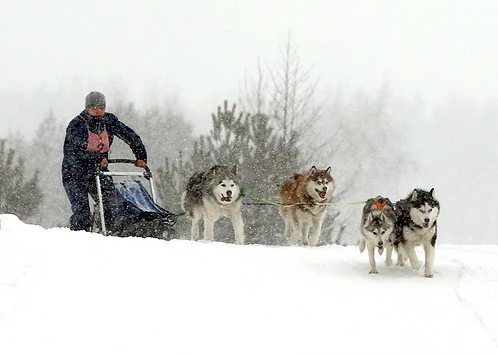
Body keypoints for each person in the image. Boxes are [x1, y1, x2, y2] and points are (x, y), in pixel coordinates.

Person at [62, 91, 148, 232]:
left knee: (113, 204)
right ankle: (79, 238)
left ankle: (112, 233)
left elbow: (129, 135)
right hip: (74, 174)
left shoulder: (109, 121)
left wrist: (141, 155)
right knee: (82, 212)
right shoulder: (76, 125)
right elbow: (73, 153)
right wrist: (96, 159)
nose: (98, 111)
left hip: (98, 171)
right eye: (94, 108)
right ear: (87, 108)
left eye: (101, 108)